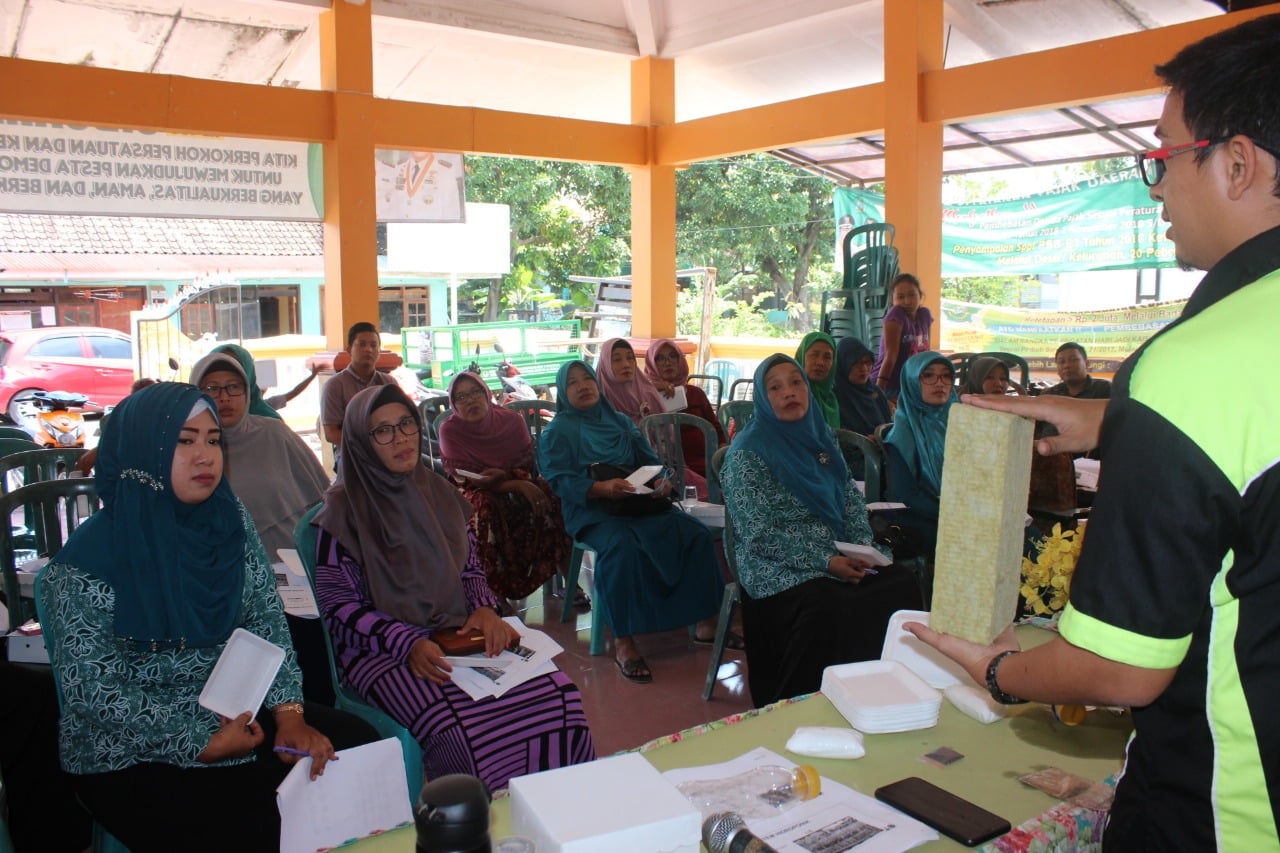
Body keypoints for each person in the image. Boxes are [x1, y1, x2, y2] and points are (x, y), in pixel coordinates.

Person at [910, 16, 1280, 849]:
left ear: (1238, 162)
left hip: (1232, 810)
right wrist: (1121, 422)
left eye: (1161, 157)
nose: (1157, 189)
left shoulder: (1193, 367)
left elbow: (1122, 666)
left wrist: (1000, 669)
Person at [41, 382, 376, 852]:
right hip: (129, 751)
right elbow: (94, 693)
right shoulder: (81, 568)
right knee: (253, 822)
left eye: (213, 440)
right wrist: (196, 740)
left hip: (233, 712)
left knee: (356, 742)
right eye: (184, 440)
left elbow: (266, 618)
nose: (205, 456)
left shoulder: (226, 521)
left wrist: (289, 715)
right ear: (141, 451)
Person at [312, 384, 595, 791]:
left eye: (407, 424)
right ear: (360, 442)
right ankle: (480, 827)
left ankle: (558, 811)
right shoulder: (342, 512)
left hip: (457, 630)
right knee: (460, 726)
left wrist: (483, 608)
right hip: (381, 650)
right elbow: (340, 608)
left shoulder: (437, 492)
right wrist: (405, 643)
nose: (401, 439)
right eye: (383, 431)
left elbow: (470, 566)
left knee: (559, 697)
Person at [721, 355, 921, 706]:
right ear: (763, 399)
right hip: (776, 566)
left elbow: (850, 501)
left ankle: (880, 691)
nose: (789, 392)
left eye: (796, 382)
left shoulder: (822, 440)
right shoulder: (748, 453)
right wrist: (825, 561)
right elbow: (757, 533)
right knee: (828, 602)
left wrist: (860, 547)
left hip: (838, 551)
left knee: (899, 583)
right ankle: (804, 703)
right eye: (775, 387)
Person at [538, 360, 728, 684]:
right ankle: (624, 642)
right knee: (622, 549)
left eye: (587, 379)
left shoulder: (620, 422)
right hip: (591, 510)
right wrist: (600, 488)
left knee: (694, 534)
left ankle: (706, 624)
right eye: (573, 383)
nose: (583, 386)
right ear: (563, 392)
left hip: (636, 504)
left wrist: (661, 481)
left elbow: (650, 461)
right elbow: (559, 480)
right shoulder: (558, 432)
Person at [437, 371, 577, 605]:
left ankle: (569, 580)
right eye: (461, 397)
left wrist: (510, 480)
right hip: (473, 489)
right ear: (453, 404)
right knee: (484, 507)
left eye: (475, 392)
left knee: (552, 495)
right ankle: (492, 591)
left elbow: (527, 466)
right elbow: (463, 479)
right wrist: (513, 484)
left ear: (487, 393)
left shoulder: (511, 421)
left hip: (517, 480)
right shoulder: (450, 430)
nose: (470, 400)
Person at [190, 351, 329, 559]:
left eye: (233, 387)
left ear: (247, 391)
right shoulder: (188, 452)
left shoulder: (275, 434)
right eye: (212, 389)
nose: (224, 397)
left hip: (296, 573)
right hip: (227, 577)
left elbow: (324, 503)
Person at [597, 337, 709, 498]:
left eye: (630, 358)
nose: (626, 364)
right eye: (616, 359)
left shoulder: (648, 393)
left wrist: (658, 464)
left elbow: (667, 437)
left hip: (661, 469)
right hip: (618, 477)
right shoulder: (599, 401)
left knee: (709, 496)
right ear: (606, 365)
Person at [882, 351, 956, 563]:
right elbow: (906, 496)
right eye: (929, 375)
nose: (939, 383)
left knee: (1027, 537)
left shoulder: (963, 424)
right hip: (921, 515)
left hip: (966, 510)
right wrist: (957, 513)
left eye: (946, 375)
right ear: (913, 381)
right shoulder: (902, 435)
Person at [643, 338, 727, 480]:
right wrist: (652, 388)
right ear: (652, 364)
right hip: (668, 470)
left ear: (680, 360)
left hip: (708, 464)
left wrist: (723, 458)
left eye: (672, 356)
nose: (668, 362)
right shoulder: (646, 397)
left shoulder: (695, 393)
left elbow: (716, 428)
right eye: (660, 358)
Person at [320, 322, 394, 452]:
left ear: (379, 351)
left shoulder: (388, 383)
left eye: (373, 345)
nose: (368, 349)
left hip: (387, 452)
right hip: (352, 455)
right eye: (362, 344)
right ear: (349, 350)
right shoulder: (334, 385)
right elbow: (331, 434)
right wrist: (370, 447)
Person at [871, 273, 934, 398]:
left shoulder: (925, 315)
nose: (907, 301)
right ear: (893, 300)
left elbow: (926, 351)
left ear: (920, 295)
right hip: (890, 385)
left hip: (913, 384)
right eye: (900, 297)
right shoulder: (896, 315)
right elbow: (890, 356)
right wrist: (879, 393)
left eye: (912, 295)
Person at [832, 336, 892, 435]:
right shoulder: (834, 396)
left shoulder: (876, 392)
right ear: (843, 364)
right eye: (856, 363)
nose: (864, 368)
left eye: (867, 362)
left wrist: (882, 438)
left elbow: (889, 426)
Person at [795, 331, 839, 428]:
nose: (820, 363)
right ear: (802, 356)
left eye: (827, 357)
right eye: (814, 355)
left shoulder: (831, 399)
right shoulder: (793, 395)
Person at [1043, 342, 1111, 399]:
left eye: (1073, 360)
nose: (1066, 365)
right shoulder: (1051, 395)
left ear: (1086, 364)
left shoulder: (1106, 389)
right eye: (1062, 361)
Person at [958, 356, 1023, 397]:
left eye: (1003, 378)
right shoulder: (962, 407)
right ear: (977, 380)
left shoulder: (1003, 406)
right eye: (990, 377)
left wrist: (1019, 388)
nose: (998, 384)